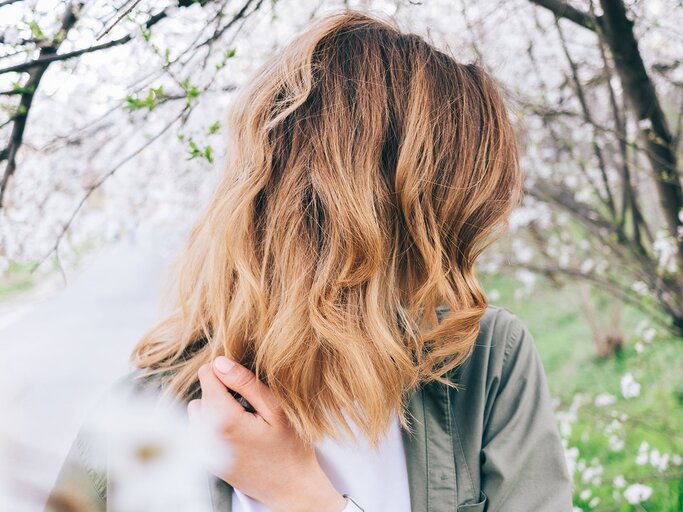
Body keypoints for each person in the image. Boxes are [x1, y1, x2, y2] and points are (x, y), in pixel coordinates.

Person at [45, 9, 573, 512]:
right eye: (456, 218)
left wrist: (300, 493)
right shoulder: (140, 415)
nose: (463, 254)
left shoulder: (486, 366)